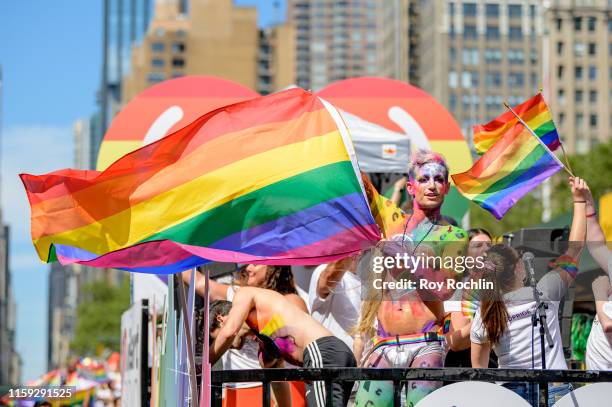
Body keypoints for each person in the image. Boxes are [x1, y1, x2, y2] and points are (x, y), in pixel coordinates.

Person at [354, 149, 468, 406]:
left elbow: (443, 289)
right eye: (424, 179)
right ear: (410, 186)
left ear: (447, 188)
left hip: (426, 343)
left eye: (439, 179)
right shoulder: (390, 220)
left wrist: (406, 258)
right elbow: (359, 183)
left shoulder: (453, 236)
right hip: (383, 341)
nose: (432, 185)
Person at [471, 176, 589, 406]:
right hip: (555, 387)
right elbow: (575, 250)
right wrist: (579, 202)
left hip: (508, 395)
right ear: (518, 268)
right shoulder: (545, 290)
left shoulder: (485, 311)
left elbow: (480, 371)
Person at [209, 287, 357, 407]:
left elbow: (228, 333)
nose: (227, 348)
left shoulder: (243, 293)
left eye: (218, 340)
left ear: (221, 320)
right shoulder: (265, 339)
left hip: (322, 352)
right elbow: (278, 382)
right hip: (332, 355)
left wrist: (201, 367)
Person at [184, 265, 307, 407]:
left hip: (285, 389)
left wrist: (202, 366)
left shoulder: (292, 300)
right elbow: (198, 281)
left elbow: (292, 337)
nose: (248, 268)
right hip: (238, 392)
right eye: (248, 263)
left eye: (255, 263)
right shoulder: (237, 295)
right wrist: (171, 254)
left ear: (274, 267)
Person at [444, 228, 493, 367]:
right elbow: (455, 343)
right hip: (463, 366)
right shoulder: (456, 286)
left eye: (489, 245)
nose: (486, 250)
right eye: (478, 246)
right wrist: (490, 316)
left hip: (496, 363)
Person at [308, 254, 361, 351]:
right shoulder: (324, 269)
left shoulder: (373, 281)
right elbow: (327, 282)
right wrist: (350, 249)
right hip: (332, 361)